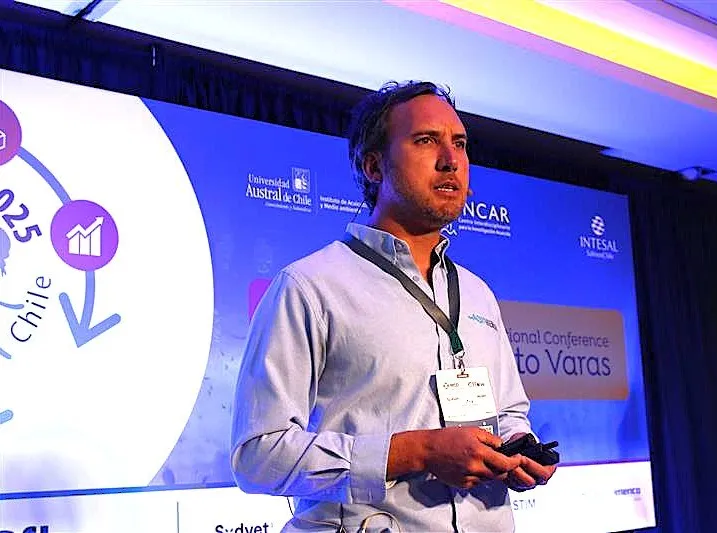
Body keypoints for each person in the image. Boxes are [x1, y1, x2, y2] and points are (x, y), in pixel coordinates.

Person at [231, 81, 556, 532]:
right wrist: (418, 451)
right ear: (373, 166)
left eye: (460, 143)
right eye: (426, 140)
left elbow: (510, 413)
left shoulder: (477, 292)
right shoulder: (310, 286)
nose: (451, 160)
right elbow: (258, 456)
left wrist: (518, 445)